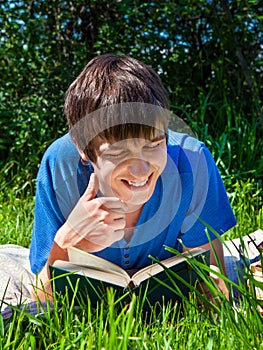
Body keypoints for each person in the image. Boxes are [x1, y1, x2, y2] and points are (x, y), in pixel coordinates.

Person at [29, 54, 237, 302]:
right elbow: (42, 298)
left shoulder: (192, 161)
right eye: (118, 152)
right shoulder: (60, 165)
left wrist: (209, 290)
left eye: (153, 145)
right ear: (83, 148)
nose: (140, 172)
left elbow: (212, 281)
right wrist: (65, 242)